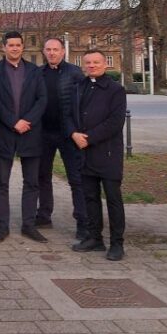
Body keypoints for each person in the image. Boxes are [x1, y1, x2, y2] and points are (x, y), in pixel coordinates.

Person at [0, 31, 48, 243]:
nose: (14, 48)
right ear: (4, 47)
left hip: (30, 133)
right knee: (1, 182)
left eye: (18, 45)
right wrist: (13, 121)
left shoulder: (34, 71)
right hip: (4, 132)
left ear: (22, 47)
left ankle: (28, 225)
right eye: (10, 45)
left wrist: (26, 121)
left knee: (31, 182)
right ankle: (2, 226)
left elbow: (42, 99)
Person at [70, 50, 128, 261]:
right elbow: (69, 115)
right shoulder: (79, 88)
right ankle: (95, 238)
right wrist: (73, 133)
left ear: (105, 65)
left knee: (113, 199)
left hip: (107, 153)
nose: (92, 66)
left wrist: (89, 137)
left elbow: (115, 122)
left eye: (96, 62)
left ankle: (117, 243)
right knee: (90, 198)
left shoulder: (116, 90)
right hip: (84, 153)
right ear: (83, 66)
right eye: (88, 63)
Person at [37, 37, 88, 239]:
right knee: (42, 176)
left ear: (63, 52)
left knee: (76, 179)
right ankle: (44, 214)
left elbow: (82, 104)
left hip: (68, 134)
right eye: (48, 49)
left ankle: (83, 221)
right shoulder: (38, 73)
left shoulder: (74, 74)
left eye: (55, 49)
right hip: (44, 133)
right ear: (44, 51)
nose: (52, 53)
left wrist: (78, 130)